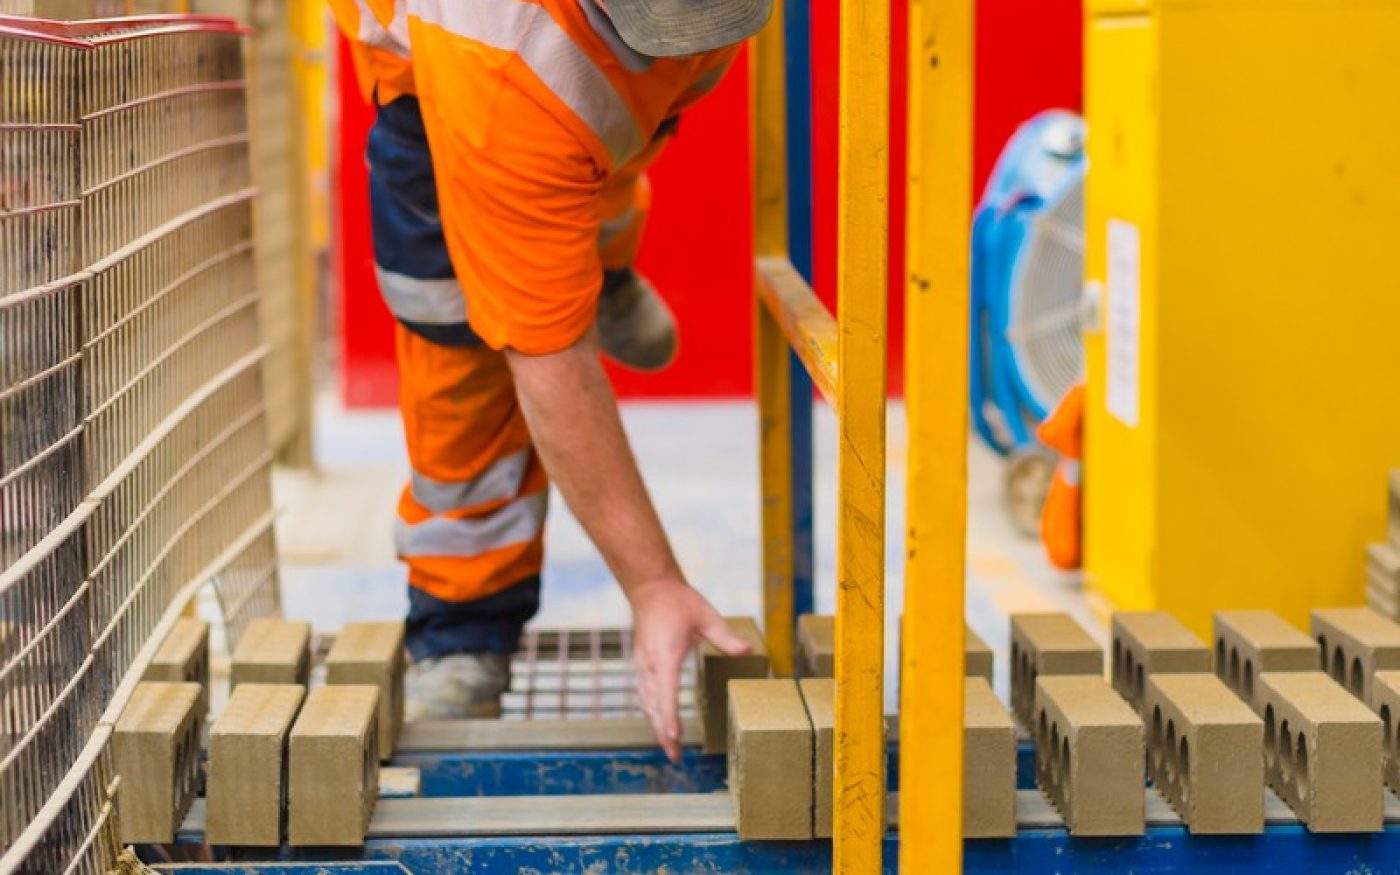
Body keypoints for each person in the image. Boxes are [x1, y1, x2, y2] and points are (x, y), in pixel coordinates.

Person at [328, 0, 770, 760]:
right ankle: (463, 628)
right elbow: (550, 363)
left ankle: (594, 271)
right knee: (461, 351)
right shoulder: (502, 68)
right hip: (442, 82)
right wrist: (654, 581)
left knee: (600, 134)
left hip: (548, 94)